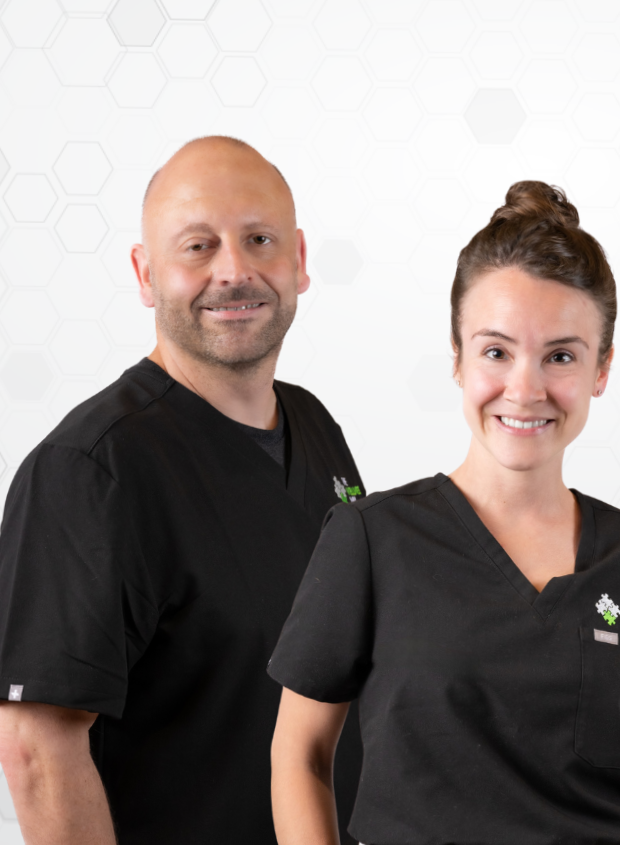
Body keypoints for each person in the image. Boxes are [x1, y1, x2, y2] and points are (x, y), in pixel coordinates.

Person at [268, 181, 620, 845]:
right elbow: (300, 753)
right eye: (496, 351)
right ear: (455, 356)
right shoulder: (371, 539)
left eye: (561, 355)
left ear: (601, 368)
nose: (525, 388)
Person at [0, 136, 365, 845]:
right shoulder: (92, 470)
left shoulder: (315, 428)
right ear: (144, 274)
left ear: (297, 260)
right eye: (198, 246)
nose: (234, 270)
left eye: (258, 239)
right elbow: (35, 745)